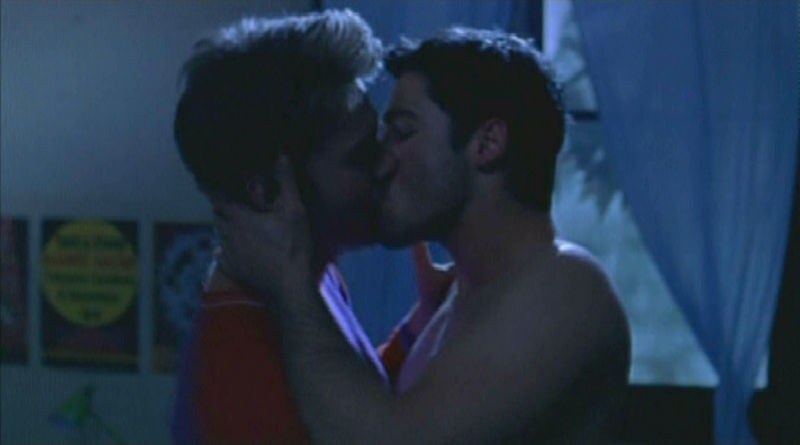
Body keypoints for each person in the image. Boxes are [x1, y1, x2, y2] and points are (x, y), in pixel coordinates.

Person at [216, 27, 632, 444]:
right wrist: (416, 328)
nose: (381, 164)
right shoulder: (466, 297)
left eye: (403, 132)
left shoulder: (566, 288)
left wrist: (292, 284)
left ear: (487, 143)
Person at [170, 10, 450, 444]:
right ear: (268, 192)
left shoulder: (308, 280)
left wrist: (420, 326)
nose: (386, 163)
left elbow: (345, 406)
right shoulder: (239, 365)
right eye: (361, 155)